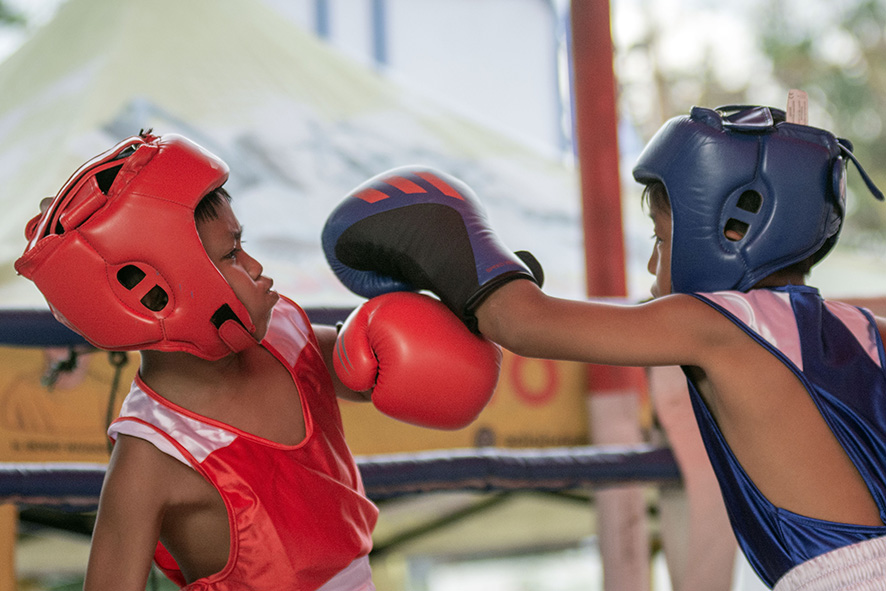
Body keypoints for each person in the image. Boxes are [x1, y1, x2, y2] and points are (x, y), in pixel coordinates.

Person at [322, 104, 886, 590]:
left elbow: (520, 322)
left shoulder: (718, 323)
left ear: (734, 229)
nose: (650, 264)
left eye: (660, 240)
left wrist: (439, 222)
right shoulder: (866, 328)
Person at [14, 132, 501, 591]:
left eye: (242, 245)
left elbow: (373, 369)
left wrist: (453, 304)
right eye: (232, 255)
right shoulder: (153, 456)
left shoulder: (284, 332)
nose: (255, 267)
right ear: (158, 293)